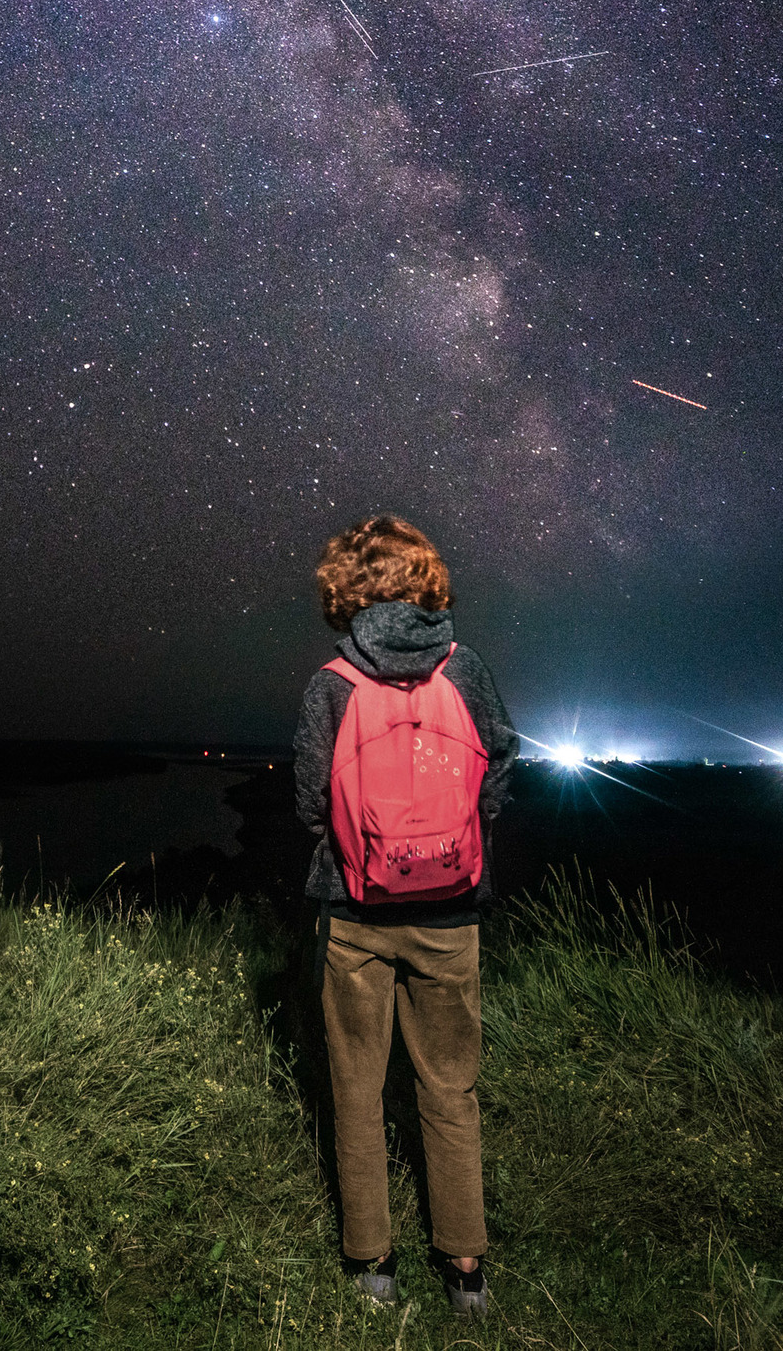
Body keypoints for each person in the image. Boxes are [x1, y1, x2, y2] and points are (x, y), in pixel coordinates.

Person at [292, 513, 519, 1316]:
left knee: (356, 1085)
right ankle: (464, 1269)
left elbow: (310, 805)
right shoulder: (469, 670)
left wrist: (362, 855)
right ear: (425, 581)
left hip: (353, 911)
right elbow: (498, 770)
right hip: (453, 911)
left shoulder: (331, 683)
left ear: (344, 589)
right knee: (450, 1085)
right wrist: (456, 848)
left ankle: (371, 1265)